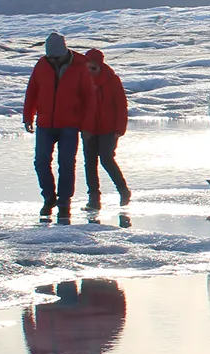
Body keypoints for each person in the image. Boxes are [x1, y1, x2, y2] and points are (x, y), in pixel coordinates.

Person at [22, 32, 96, 219]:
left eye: (56, 56)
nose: (53, 60)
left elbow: (89, 98)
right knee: (40, 162)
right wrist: (28, 116)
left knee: (66, 164)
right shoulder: (42, 64)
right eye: (50, 56)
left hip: (69, 125)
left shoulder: (80, 66)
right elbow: (32, 91)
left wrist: (87, 126)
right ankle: (49, 197)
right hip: (45, 123)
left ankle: (64, 202)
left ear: (64, 51)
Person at [81, 48, 131, 209]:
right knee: (89, 163)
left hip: (109, 129)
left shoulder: (112, 80)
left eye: (93, 67)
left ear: (100, 65)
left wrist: (119, 129)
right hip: (89, 129)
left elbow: (121, 105)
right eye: (88, 66)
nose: (90, 70)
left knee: (106, 159)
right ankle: (94, 198)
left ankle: (123, 190)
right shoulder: (81, 80)